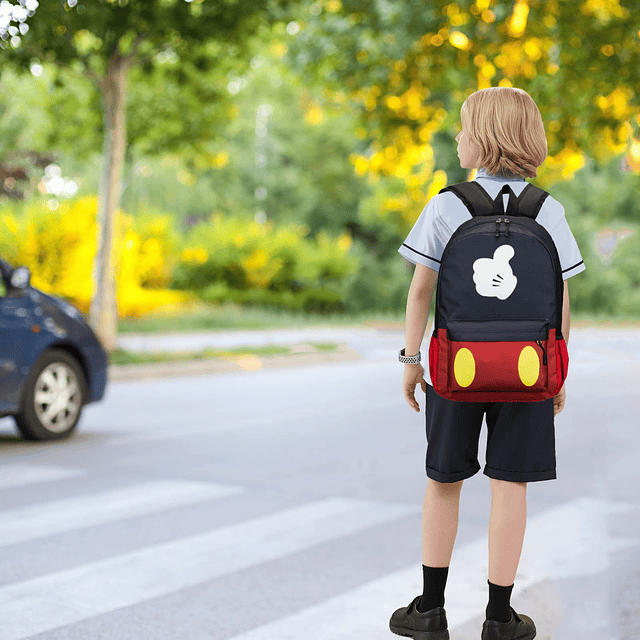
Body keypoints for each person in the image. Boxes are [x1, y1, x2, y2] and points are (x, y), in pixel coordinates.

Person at [391, 87, 586, 640]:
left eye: (462, 127)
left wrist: (412, 360)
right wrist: (557, 372)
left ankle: (429, 609)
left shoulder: (447, 204)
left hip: (456, 367)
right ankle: (500, 617)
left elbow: (420, 292)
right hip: (527, 369)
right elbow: (562, 298)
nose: (457, 137)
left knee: (444, 481)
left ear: (485, 137)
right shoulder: (548, 209)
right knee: (511, 484)